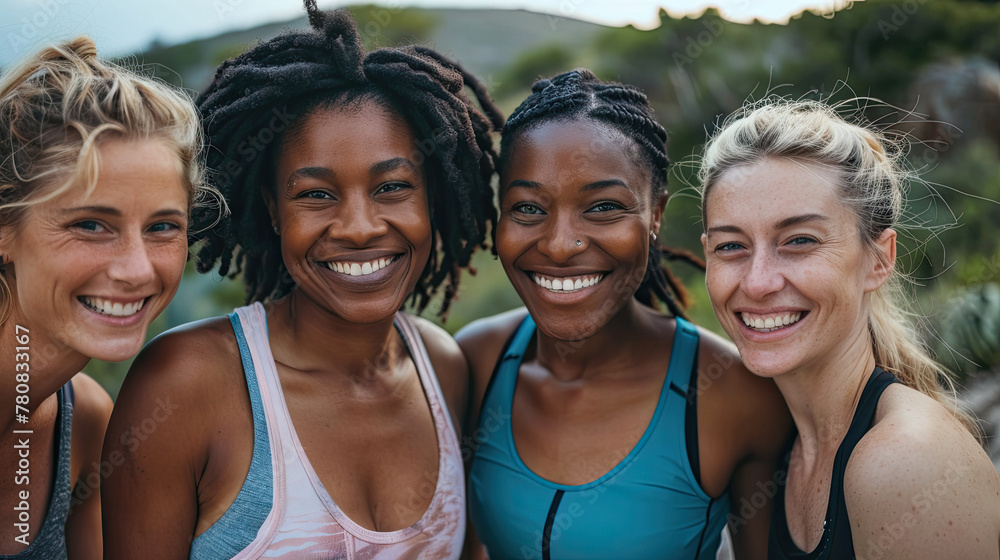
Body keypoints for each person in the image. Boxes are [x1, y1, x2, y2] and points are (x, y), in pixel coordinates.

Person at [100, 3, 502, 558]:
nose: (359, 228)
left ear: (435, 195)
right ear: (271, 210)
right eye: (316, 194)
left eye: (392, 187)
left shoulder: (443, 368)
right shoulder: (187, 384)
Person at [457, 69, 792, 560]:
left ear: (655, 215)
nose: (559, 244)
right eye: (528, 208)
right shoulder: (476, 361)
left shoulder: (732, 393)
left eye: (603, 207)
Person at [698, 98, 1000, 559]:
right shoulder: (772, 443)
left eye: (799, 241)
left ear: (879, 259)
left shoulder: (905, 460)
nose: (757, 282)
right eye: (730, 246)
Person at [0, 37, 211, 559]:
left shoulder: (88, 420)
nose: (137, 270)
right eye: (91, 225)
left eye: (163, 226)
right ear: (6, 231)